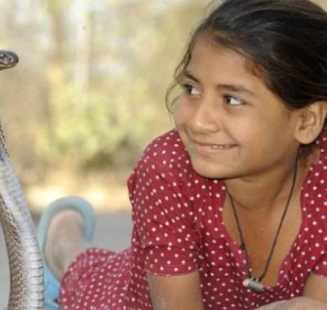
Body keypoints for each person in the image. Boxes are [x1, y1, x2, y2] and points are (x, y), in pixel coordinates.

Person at [36, 0, 327, 309]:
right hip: (136, 300)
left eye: (232, 99)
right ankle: (61, 239)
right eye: (192, 89)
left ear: (307, 121)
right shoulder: (169, 166)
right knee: (83, 272)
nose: (198, 121)